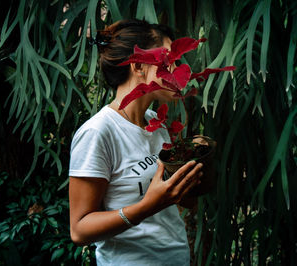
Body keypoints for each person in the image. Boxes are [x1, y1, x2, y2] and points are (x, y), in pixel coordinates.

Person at [68, 19, 203, 266]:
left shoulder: (156, 123)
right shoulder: (98, 133)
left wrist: (189, 180)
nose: (178, 68)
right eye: (169, 60)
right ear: (139, 66)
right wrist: (147, 206)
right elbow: (79, 230)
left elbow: (178, 202)